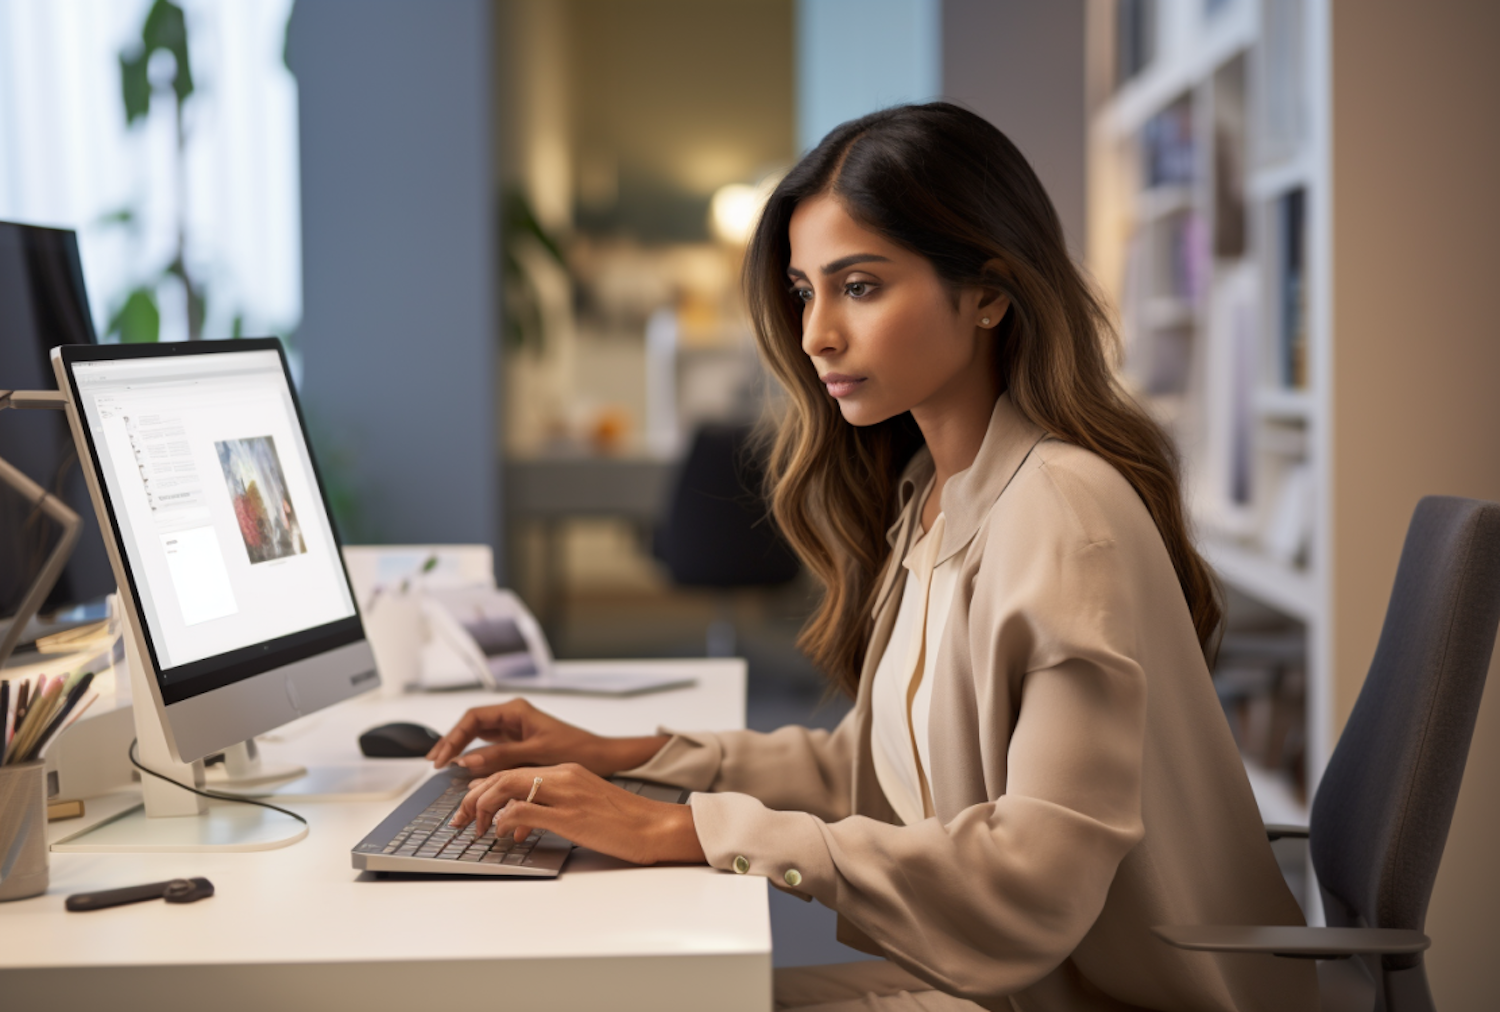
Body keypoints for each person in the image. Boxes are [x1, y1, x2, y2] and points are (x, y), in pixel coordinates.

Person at [429, 103, 1316, 1012]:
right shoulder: (933, 494)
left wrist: (684, 829)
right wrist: (624, 752)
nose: (815, 334)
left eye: (858, 286)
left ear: (988, 294)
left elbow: (1033, 877)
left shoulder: (1060, 510)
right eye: (807, 291)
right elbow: (862, 769)